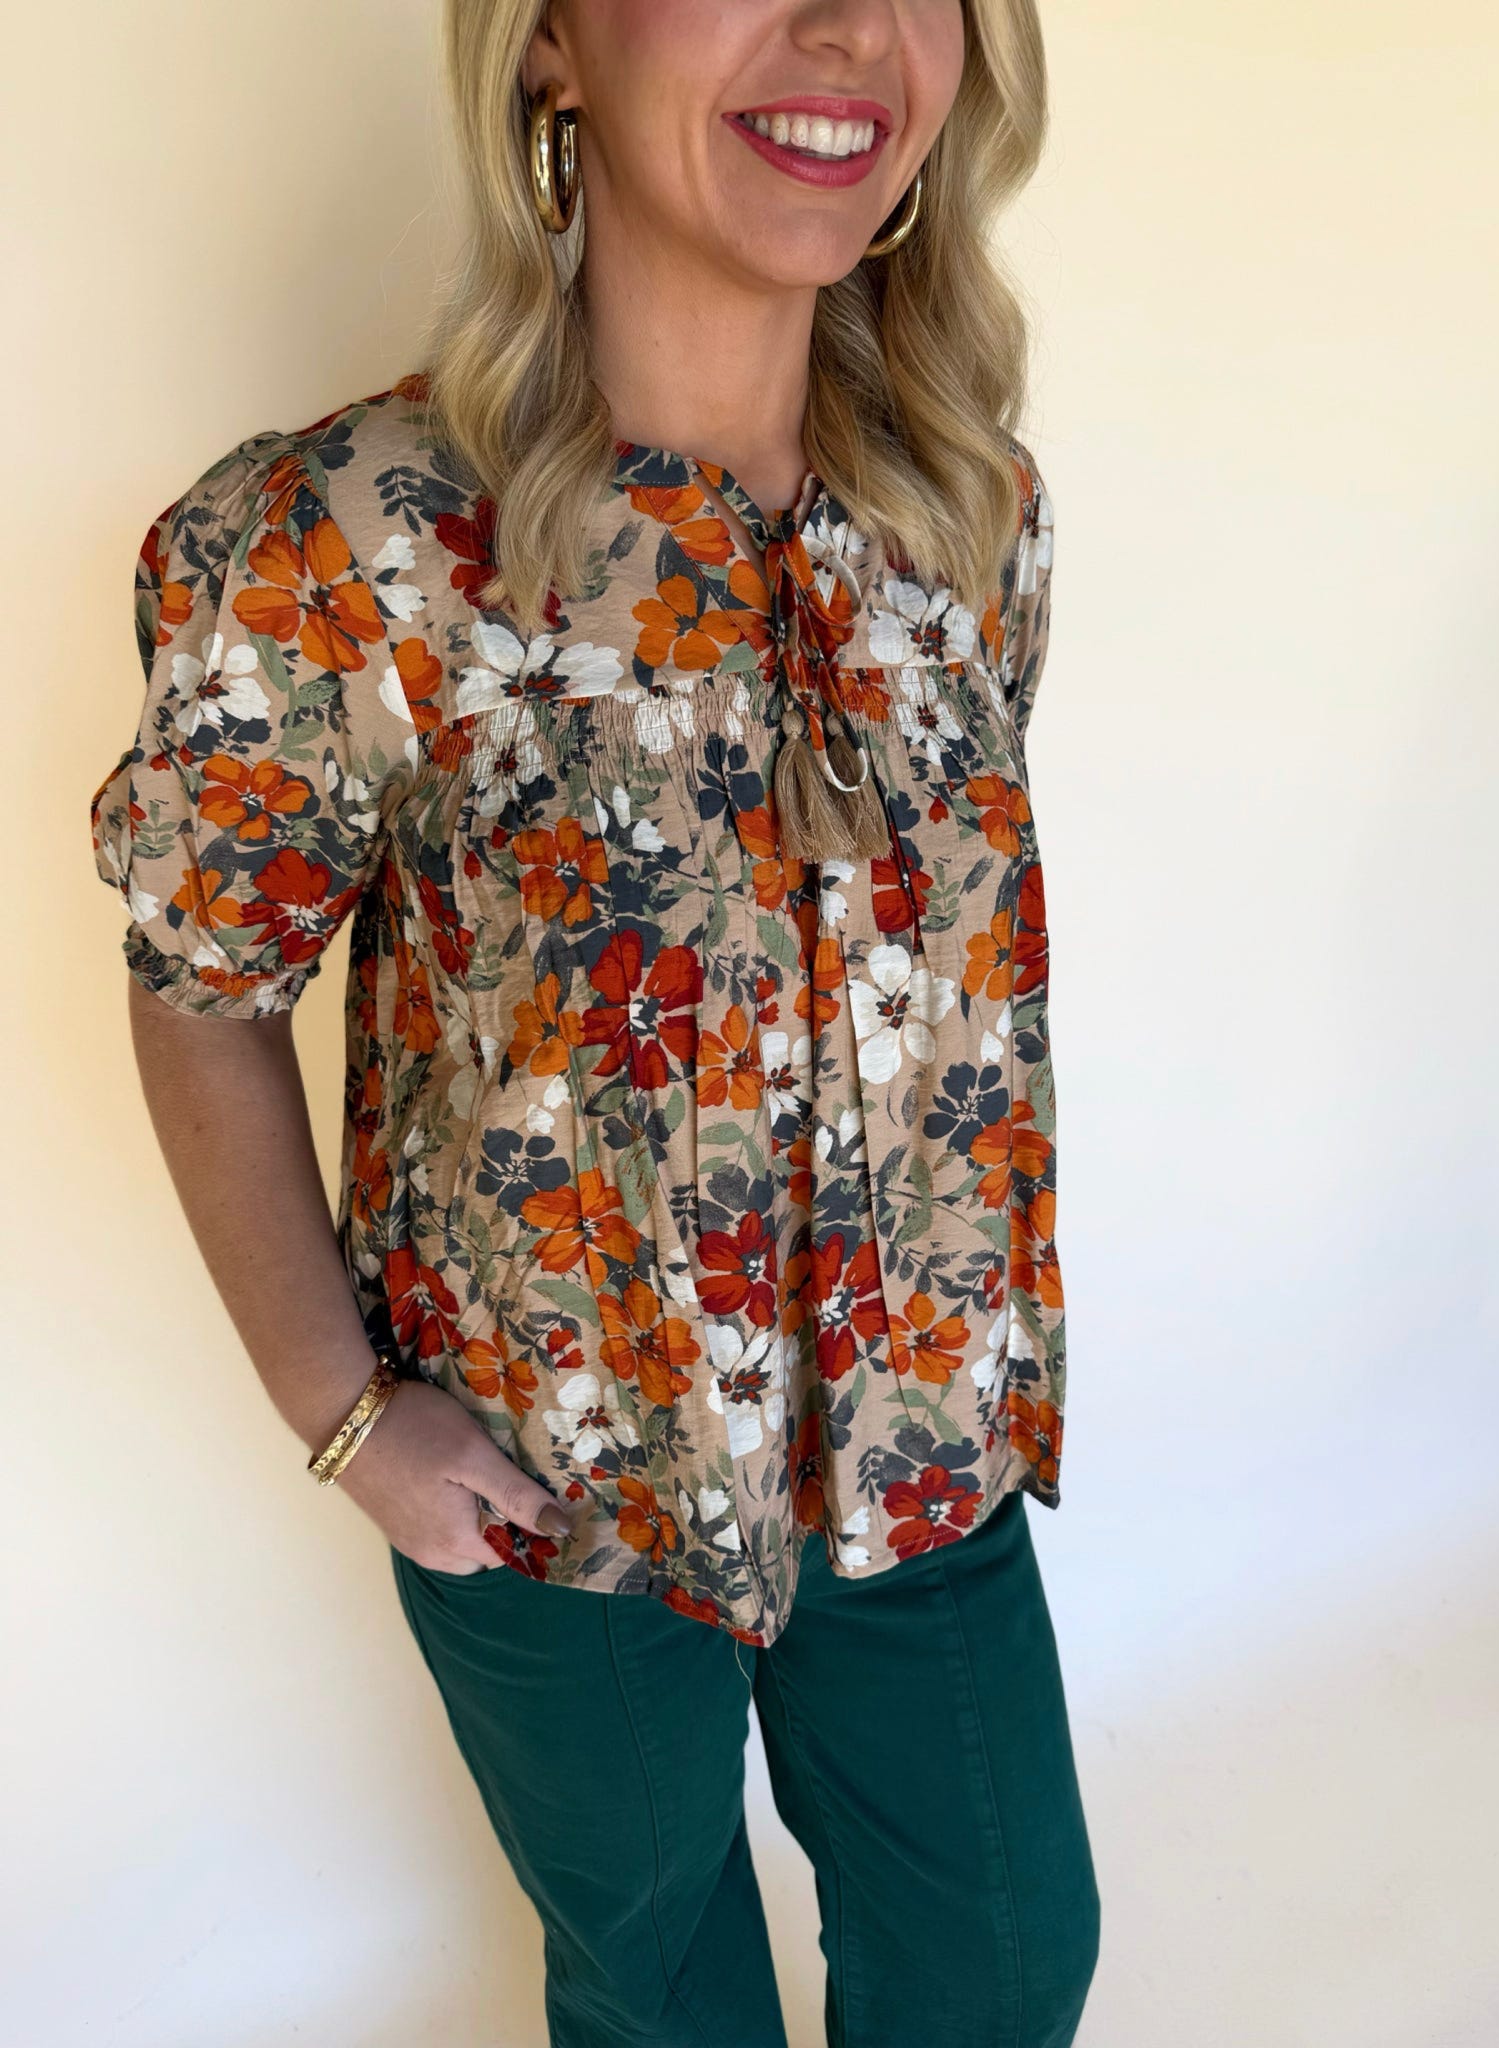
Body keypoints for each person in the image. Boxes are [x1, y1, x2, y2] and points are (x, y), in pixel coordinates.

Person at [88, 1, 1099, 2040]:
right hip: (551, 1501)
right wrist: (349, 1415)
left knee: (1006, 1958)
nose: (847, 27)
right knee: (661, 1991)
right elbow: (202, 982)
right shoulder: (344, 546)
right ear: (548, 45)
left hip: (913, 1451)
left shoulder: (966, 521)